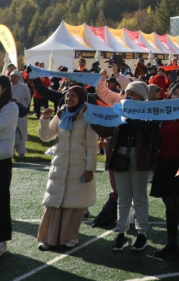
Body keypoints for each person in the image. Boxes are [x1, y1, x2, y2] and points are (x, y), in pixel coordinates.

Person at [37, 86, 98, 250]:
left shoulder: (87, 116)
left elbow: (92, 146)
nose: (69, 99)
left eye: (73, 96)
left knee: (73, 205)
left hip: (78, 167)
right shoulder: (61, 113)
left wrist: (90, 169)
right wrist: (44, 119)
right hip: (59, 165)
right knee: (54, 202)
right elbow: (46, 136)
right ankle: (48, 238)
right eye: (67, 95)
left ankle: (70, 237)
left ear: (81, 98)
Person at [149, 83, 179, 260]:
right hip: (164, 164)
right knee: (169, 204)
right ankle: (171, 244)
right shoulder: (162, 115)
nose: (177, 96)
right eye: (174, 93)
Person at [109, 82, 155, 251]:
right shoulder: (119, 109)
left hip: (139, 155)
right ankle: (121, 232)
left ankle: (142, 233)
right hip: (121, 154)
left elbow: (146, 127)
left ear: (141, 97)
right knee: (123, 196)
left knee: (139, 196)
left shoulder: (147, 112)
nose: (129, 96)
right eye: (127, 93)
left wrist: (129, 116)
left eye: (133, 94)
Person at [0, 76, 18, 257]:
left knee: (1, 200)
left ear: (4, 88)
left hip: (2, 160)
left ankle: (1, 240)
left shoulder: (11, 107)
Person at [9, 71, 30, 158]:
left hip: (21, 113)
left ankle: (21, 151)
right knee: (11, 131)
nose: (13, 78)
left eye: (15, 77)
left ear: (18, 78)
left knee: (21, 131)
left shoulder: (24, 87)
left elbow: (28, 99)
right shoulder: (8, 87)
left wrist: (23, 108)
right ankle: (11, 150)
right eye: (12, 77)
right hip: (10, 113)